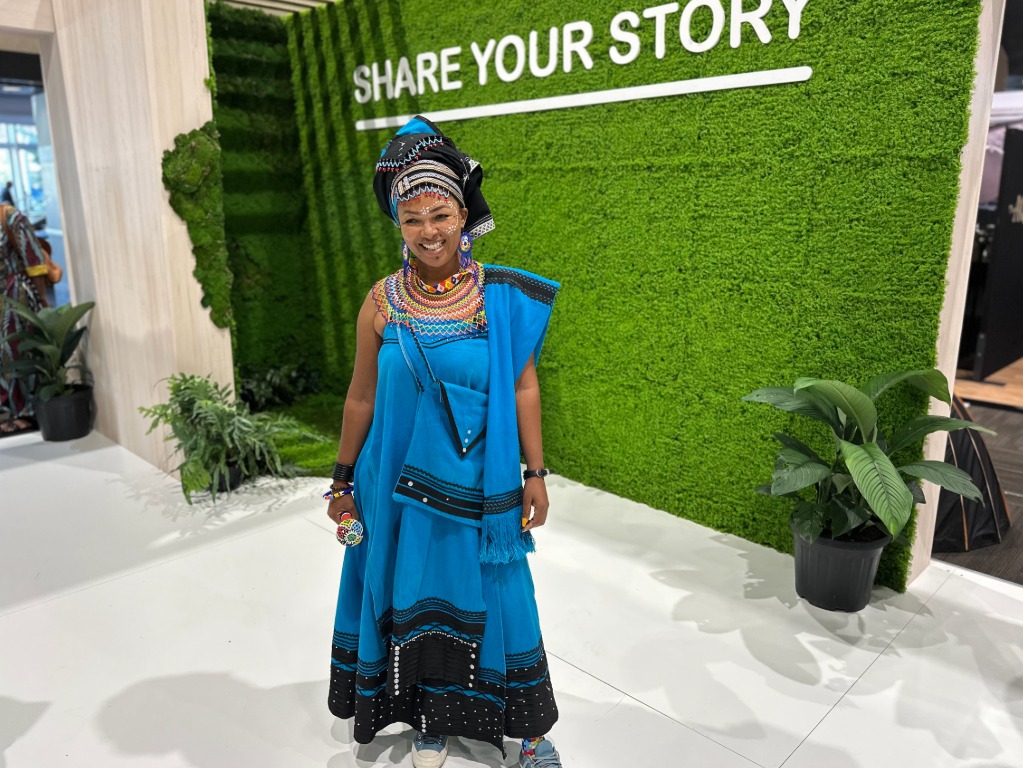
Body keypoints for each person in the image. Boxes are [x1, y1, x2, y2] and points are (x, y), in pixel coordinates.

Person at [325, 116, 564, 768]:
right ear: (397, 224)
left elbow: (523, 389)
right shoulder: (381, 302)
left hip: (479, 486)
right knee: (408, 591)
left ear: (464, 215)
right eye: (413, 219)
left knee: (500, 594)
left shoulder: (500, 299)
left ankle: (528, 732)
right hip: (393, 486)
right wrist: (341, 481)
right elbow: (361, 398)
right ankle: (429, 717)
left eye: (441, 215)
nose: (429, 231)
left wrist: (535, 473)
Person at [0, 203, 48, 435]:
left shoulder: (9, 217)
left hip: (14, 295)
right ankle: (5, 411)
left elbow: (35, 262)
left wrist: (42, 303)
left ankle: (26, 411)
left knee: (17, 350)